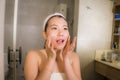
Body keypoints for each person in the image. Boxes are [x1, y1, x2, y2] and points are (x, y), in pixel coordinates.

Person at [24, 13, 82, 80]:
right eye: (55, 28)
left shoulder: (74, 57)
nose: (61, 33)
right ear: (45, 34)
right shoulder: (33, 55)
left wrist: (66, 60)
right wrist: (51, 59)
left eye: (65, 28)